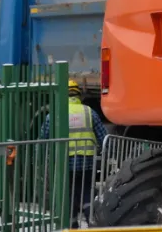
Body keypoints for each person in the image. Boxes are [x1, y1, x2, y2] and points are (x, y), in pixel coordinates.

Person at [39, 80, 110, 224]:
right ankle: (91, 222)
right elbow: (104, 138)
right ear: (79, 95)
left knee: (68, 195)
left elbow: (43, 140)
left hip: (64, 163)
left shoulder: (54, 114)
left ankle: (71, 226)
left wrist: (43, 161)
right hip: (87, 163)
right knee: (87, 192)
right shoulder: (89, 112)